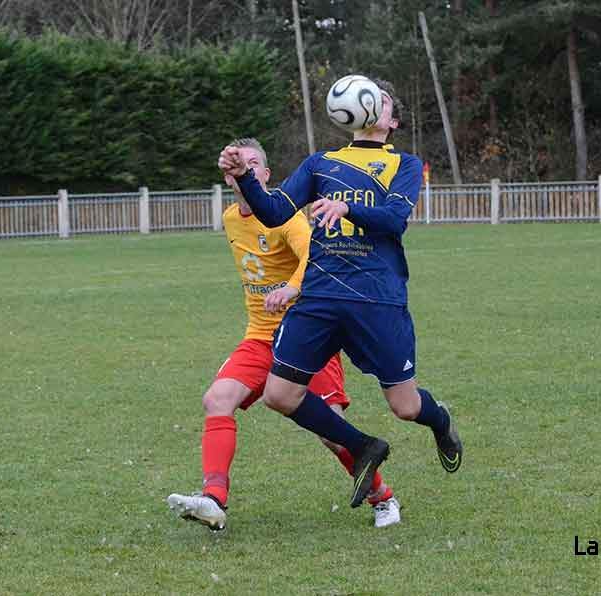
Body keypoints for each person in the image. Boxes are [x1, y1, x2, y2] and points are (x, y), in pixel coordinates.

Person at [217, 79, 462, 509]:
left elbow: (393, 220)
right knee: (279, 394)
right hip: (320, 296)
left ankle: (440, 420)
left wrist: (348, 208)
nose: (371, 98)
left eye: (383, 98)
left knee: (404, 406)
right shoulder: (321, 164)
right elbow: (275, 212)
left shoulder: (403, 164)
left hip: (377, 298)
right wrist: (245, 180)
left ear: (392, 120)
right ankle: (363, 446)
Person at [167, 138, 401, 530]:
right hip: (261, 337)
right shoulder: (230, 218)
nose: (246, 170)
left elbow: (316, 255)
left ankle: (383, 498)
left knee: (332, 433)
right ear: (228, 176)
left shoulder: (286, 216)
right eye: (238, 164)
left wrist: (293, 288)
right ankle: (213, 500)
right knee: (217, 399)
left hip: (309, 335)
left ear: (267, 173)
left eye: (254, 163)